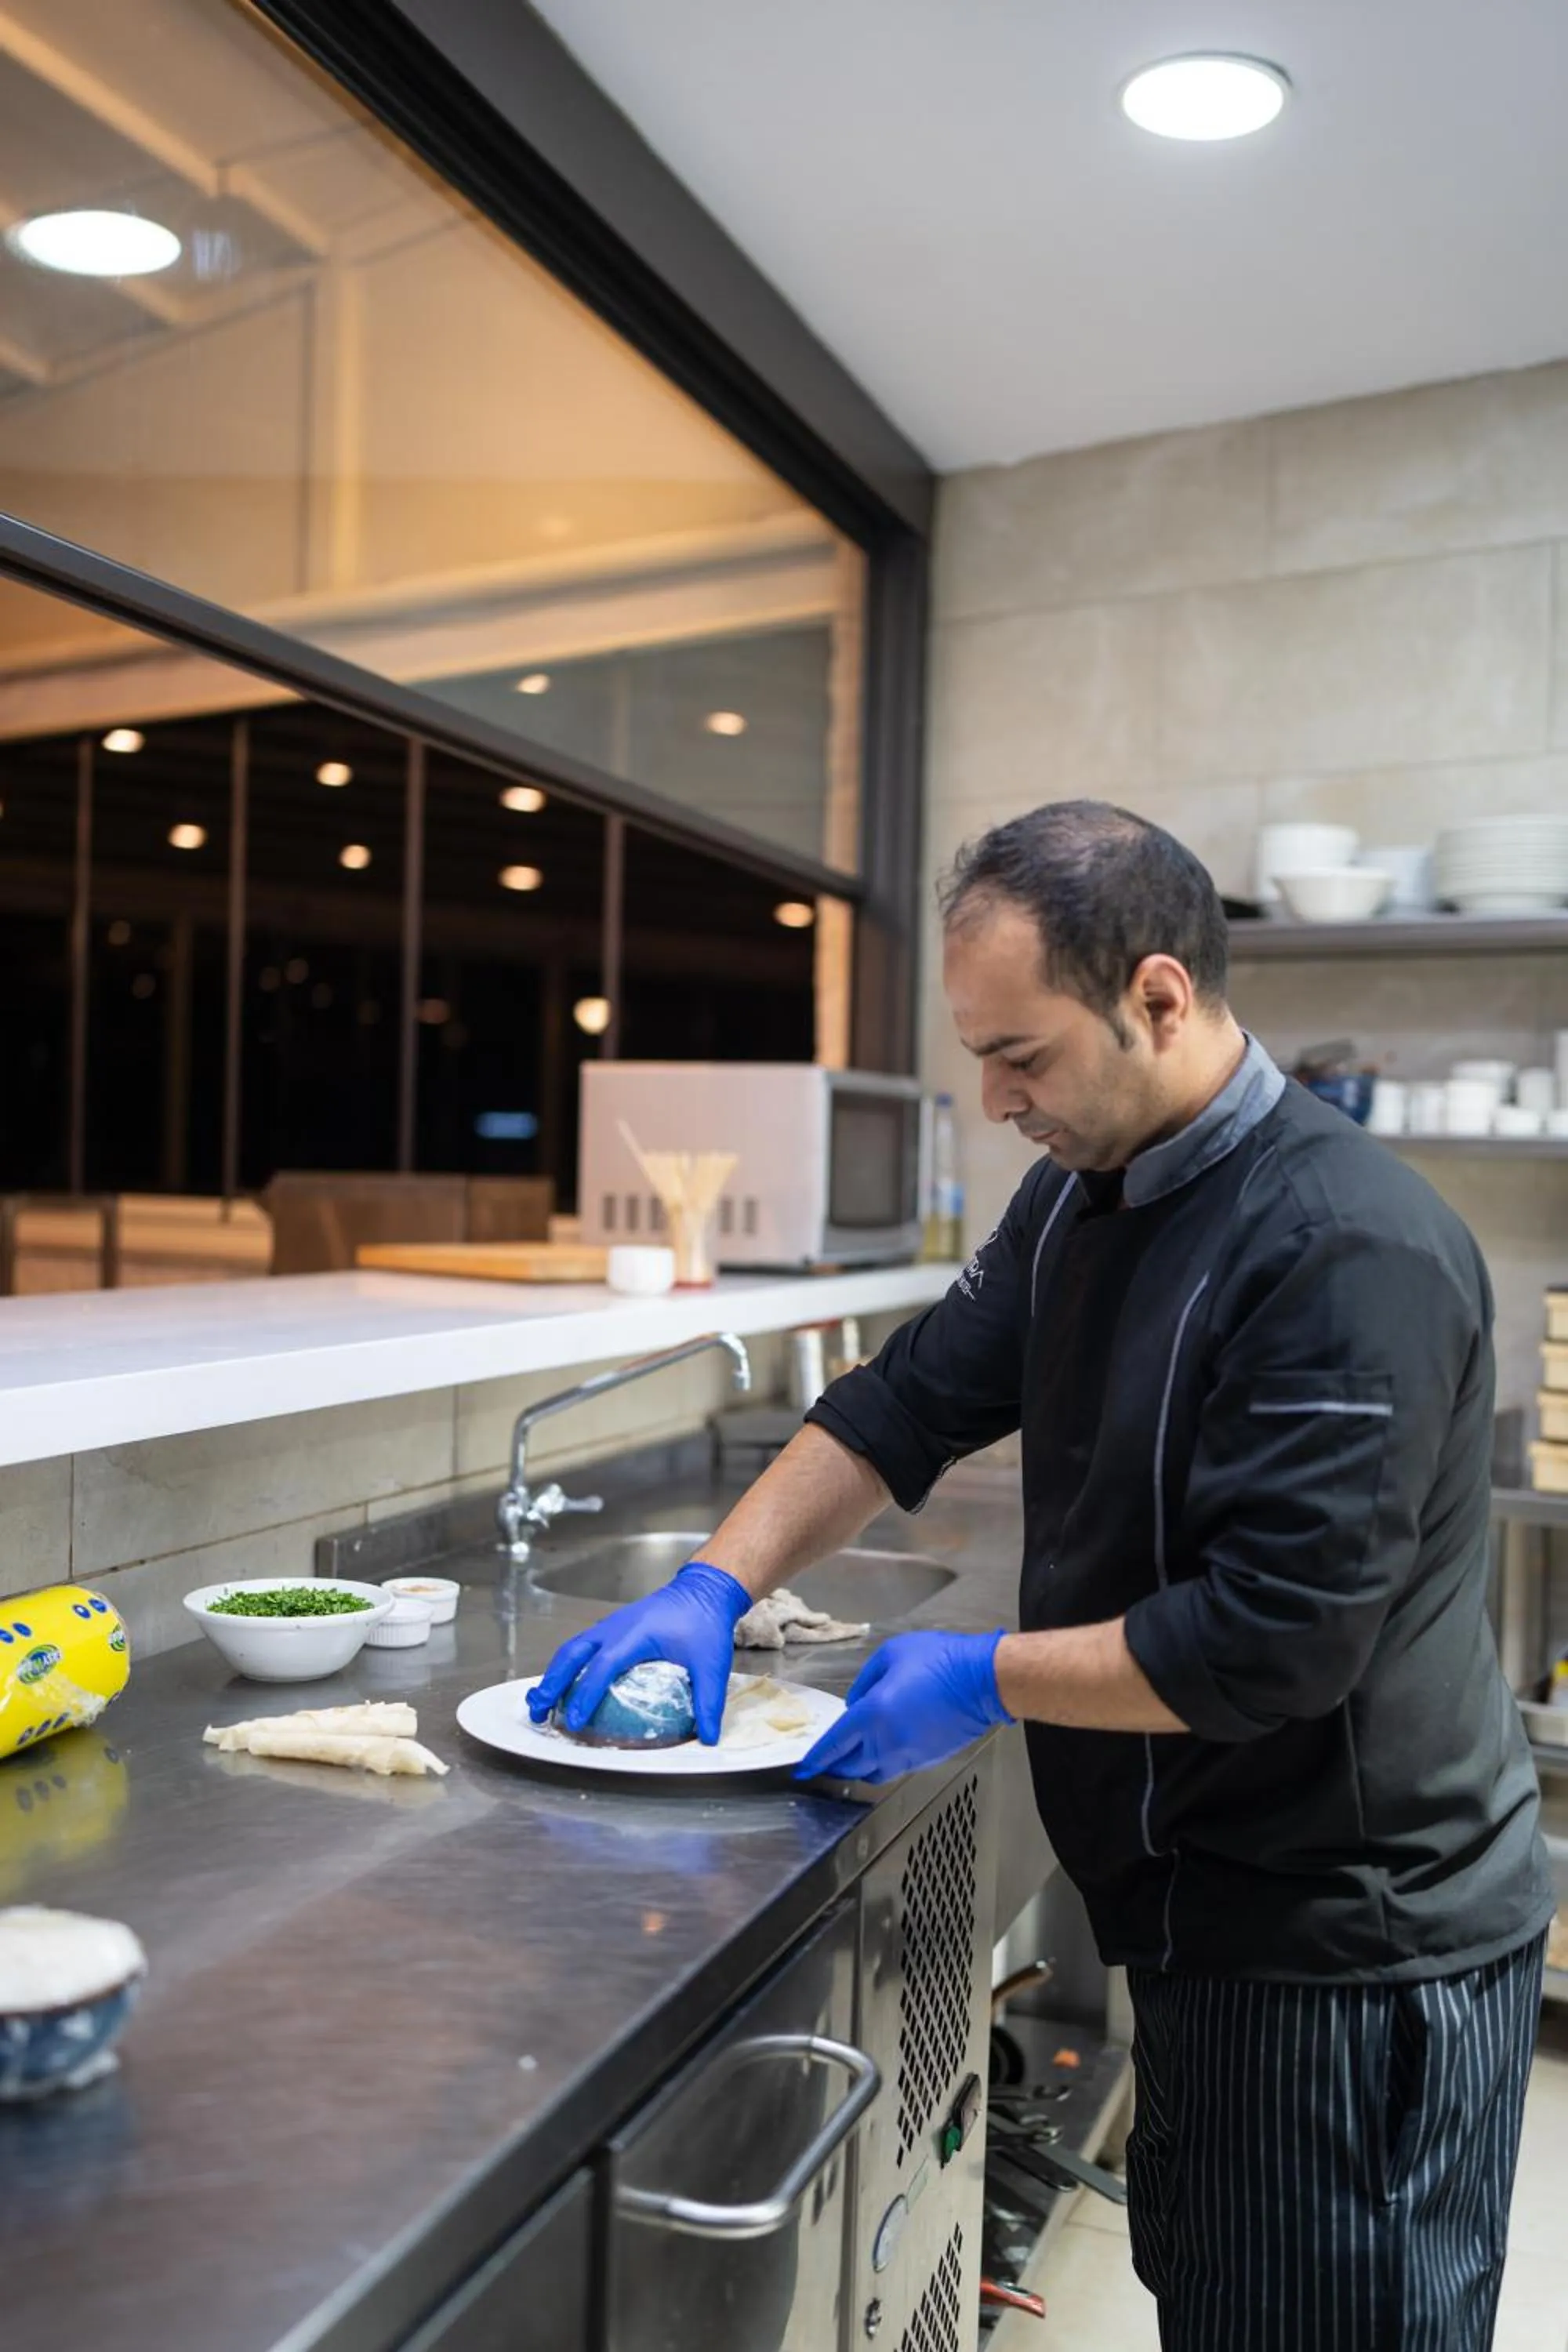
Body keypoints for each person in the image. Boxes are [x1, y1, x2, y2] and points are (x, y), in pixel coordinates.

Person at [531, 800, 1553, 2351]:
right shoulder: (1084, 1201)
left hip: (1348, 1951)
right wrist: (713, 1586)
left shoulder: (1344, 1248)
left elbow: (1272, 1642)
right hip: (1204, 1918)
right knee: (1225, 2305)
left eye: (1022, 1056)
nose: (997, 1099)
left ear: (1155, 995)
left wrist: (986, 1675)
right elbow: (907, 1400)